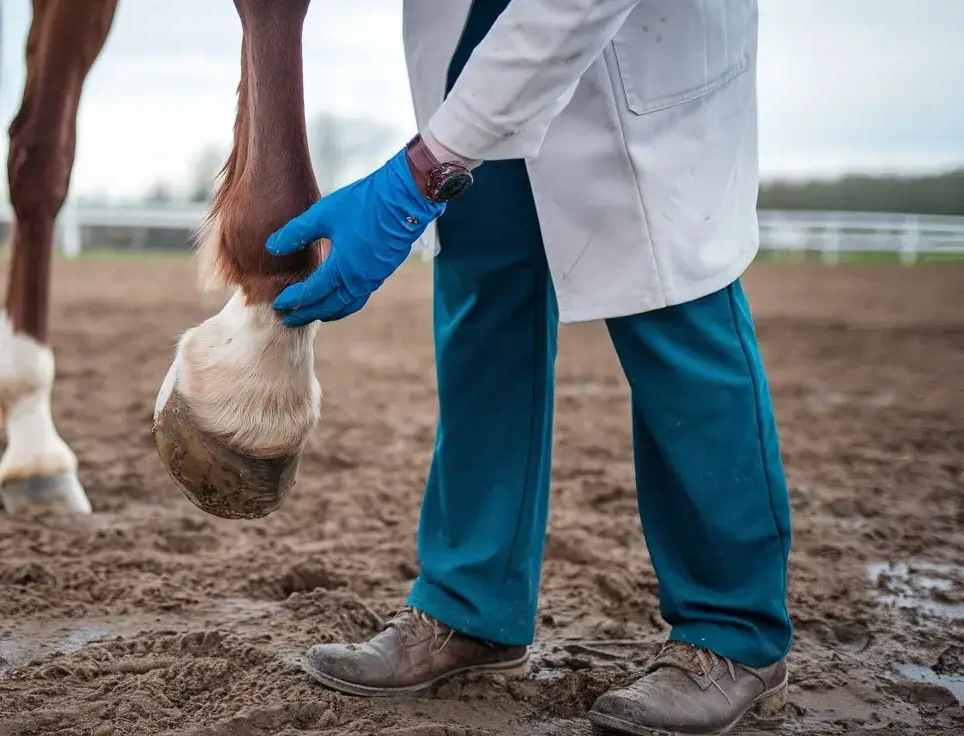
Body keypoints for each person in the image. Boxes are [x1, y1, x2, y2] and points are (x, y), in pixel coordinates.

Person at [264, 1, 792, 734]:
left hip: (640, 45)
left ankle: (732, 632)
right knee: (483, 310)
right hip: (475, 35)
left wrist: (420, 171)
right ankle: (470, 606)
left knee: (674, 315)